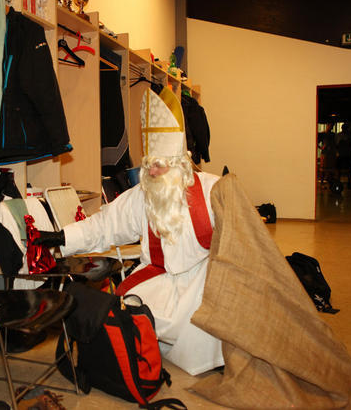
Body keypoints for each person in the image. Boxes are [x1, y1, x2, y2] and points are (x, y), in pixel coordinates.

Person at [35, 87, 224, 375]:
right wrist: (62, 236)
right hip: (160, 275)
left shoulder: (213, 188)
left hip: (203, 278)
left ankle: (212, 355)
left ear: (179, 164)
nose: (152, 173)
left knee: (217, 304)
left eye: (159, 166)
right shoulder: (142, 194)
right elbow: (104, 226)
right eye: (148, 165)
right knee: (128, 306)